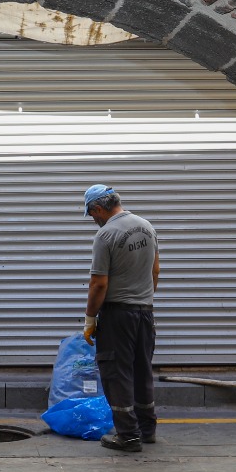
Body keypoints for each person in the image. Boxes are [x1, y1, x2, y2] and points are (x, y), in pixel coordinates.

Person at [81, 184, 160, 452]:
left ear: (99, 208)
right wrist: (144, 300)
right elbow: (155, 271)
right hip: (145, 312)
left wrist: (90, 319)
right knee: (141, 370)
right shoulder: (147, 226)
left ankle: (127, 435)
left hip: (118, 314)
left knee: (118, 374)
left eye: (92, 215)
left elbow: (98, 284)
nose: (94, 221)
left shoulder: (106, 235)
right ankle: (147, 429)